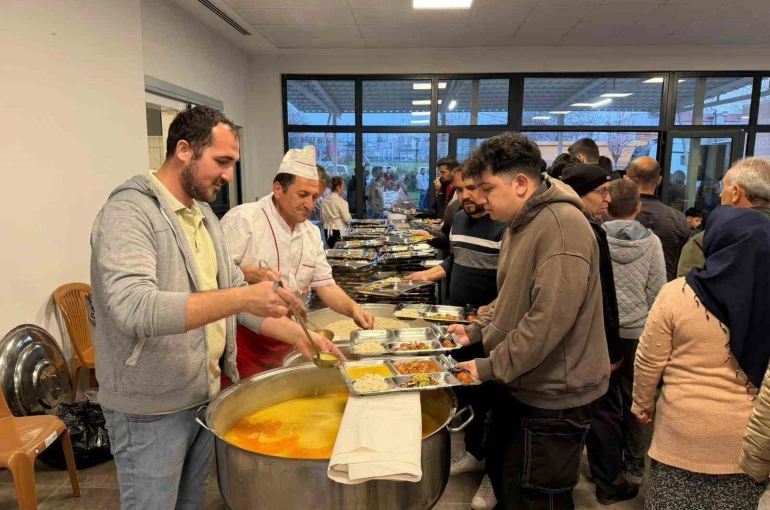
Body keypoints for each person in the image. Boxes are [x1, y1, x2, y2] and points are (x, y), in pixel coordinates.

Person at [89, 106, 341, 510]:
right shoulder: (128, 213)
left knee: (190, 503)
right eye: (222, 162)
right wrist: (243, 296)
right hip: (151, 407)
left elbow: (236, 298)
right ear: (185, 151)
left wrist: (303, 338)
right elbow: (134, 308)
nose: (228, 175)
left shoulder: (203, 215)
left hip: (204, 393)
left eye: (232, 163)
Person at [448, 132, 611, 510]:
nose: (480, 198)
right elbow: (513, 301)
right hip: (524, 384)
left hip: (554, 397)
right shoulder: (522, 222)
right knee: (512, 488)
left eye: (487, 188)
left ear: (521, 183)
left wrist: (490, 366)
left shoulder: (560, 225)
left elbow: (547, 321)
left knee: (538, 499)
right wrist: (477, 331)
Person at [634, 206, 770, 510]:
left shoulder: (675, 293)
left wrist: (642, 403)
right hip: (744, 445)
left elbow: (649, 359)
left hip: (679, 435)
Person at [220, 145, 373, 379]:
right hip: (247, 341)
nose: (309, 205)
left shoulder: (310, 233)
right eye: (302, 195)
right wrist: (251, 273)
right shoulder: (243, 220)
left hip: (292, 336)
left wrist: (353, 309)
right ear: (278, 189)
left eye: (314, 197)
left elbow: (326, 285)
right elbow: (216, 279)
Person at [405, 166, 506, 510]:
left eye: (471, 189)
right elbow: (454, 259)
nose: (464, 197)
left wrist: (487, 316)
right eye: (460, 189)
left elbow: (515, 286)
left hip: (494, 330)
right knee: (467, 394)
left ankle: (495, 476)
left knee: (497, 405)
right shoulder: (460, 220)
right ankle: (475, 454)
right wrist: (426, 274)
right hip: (458, 327)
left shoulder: (507, 224)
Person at [562, 163, 637, 505]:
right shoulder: (589, 231)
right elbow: (603, 296)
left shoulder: (584, 227)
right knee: (604, 410)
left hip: (585, 340)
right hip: (594, 341)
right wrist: (612, 349)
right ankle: (609, 482)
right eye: (601, 192)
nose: (608, 200)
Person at [601, 178, 666, 485]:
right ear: (639, 208)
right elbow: (657, 292)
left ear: (605, 207)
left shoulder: (595, 238)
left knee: (601, 398)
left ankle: (605, 461)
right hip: (636, 333)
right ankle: (635, 460)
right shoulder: (652, 243)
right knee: (636, 397)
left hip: (601, 333)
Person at [678, 157, 770, 277]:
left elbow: (686, 292)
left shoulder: (706, 241)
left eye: (724, 186)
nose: (721, 194)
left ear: (736, 193)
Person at [625, 156, 690, 281]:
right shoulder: (678, 218)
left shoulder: (613, 215)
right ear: (659, 180)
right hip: (664, 292)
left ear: (626, 179)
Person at [321, 176, 352, 248]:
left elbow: (322, 217)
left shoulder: (324, 201)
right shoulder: (341, 202)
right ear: (338, 187)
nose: (344, 188)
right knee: (339, 253)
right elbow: (347, 219)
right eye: (343, 186)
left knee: (331, 251)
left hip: (327, 230)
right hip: (339, 230)